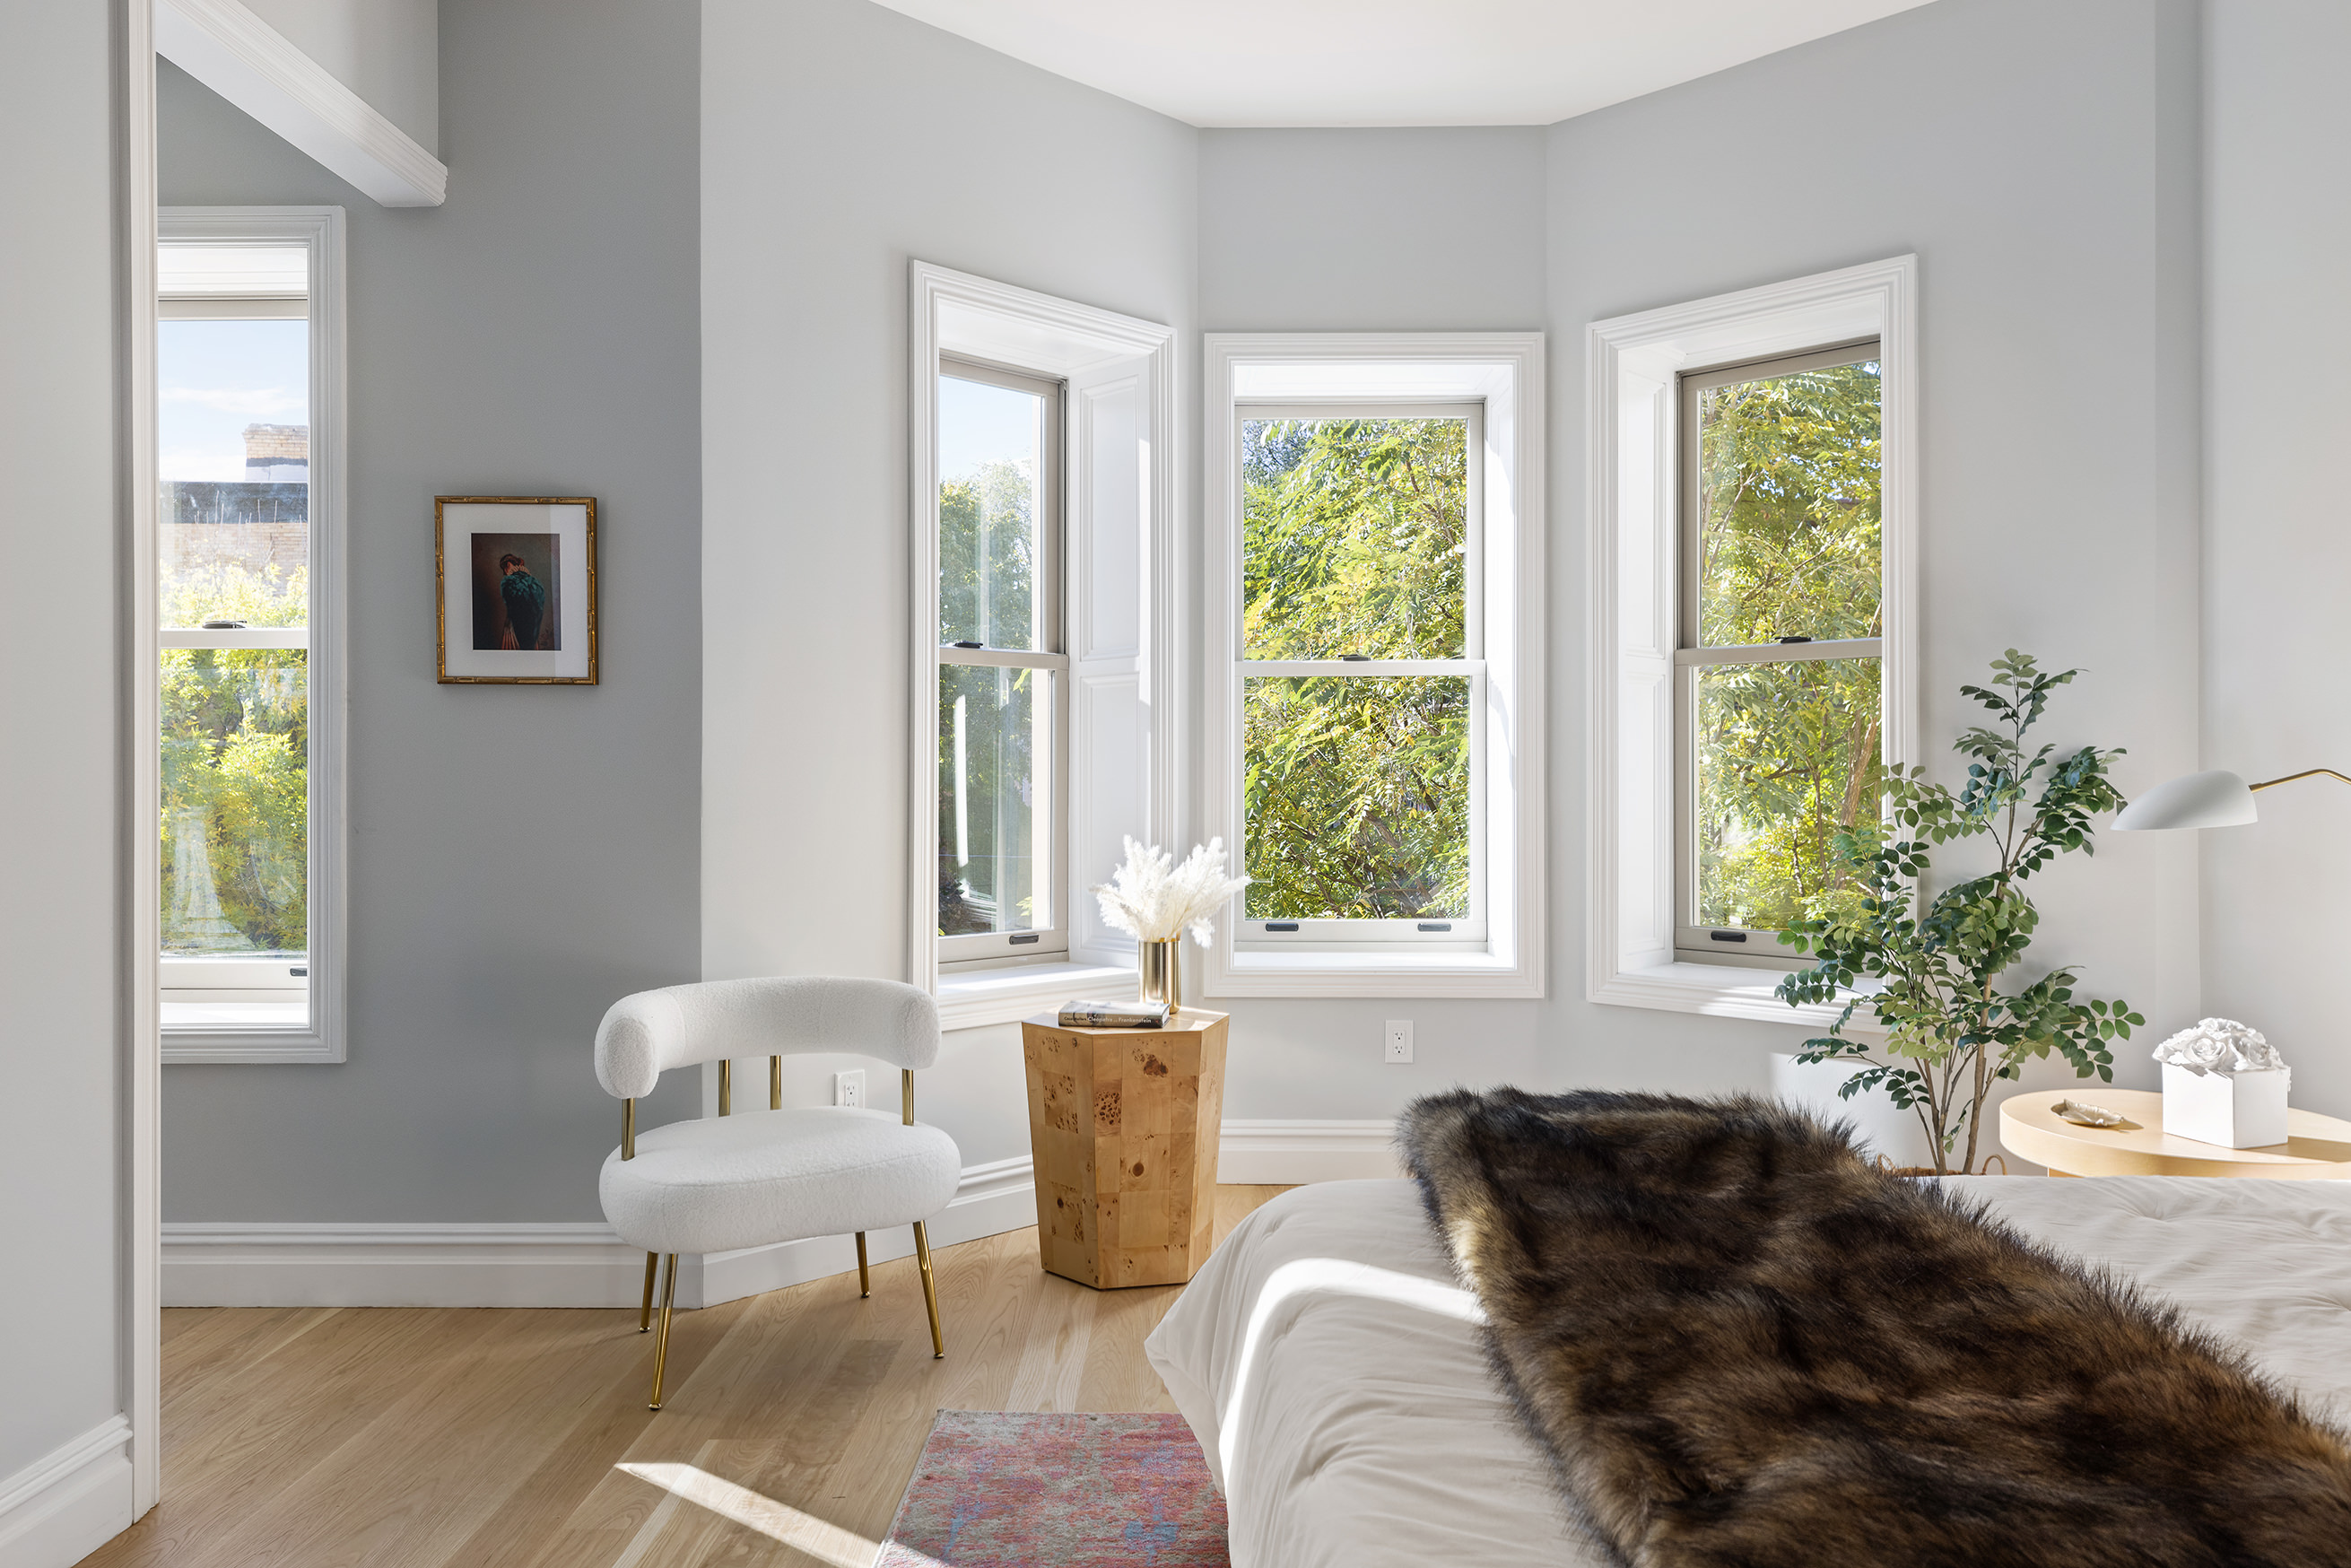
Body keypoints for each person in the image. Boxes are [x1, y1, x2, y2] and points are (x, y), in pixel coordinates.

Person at [498, 552, 547, 650]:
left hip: (514, 628)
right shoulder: (534, 582)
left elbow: (511, 605)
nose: (505, 573)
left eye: (504, 569)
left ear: (508, 565)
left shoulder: (508, 581)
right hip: (532, 629)